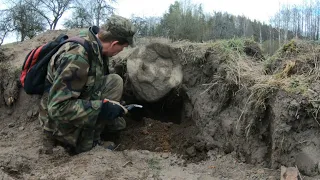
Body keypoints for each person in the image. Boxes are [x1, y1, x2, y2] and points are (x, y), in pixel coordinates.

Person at [39, 15, 136, 154]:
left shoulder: (96, 45)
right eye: (122, 48)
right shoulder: (77, 57)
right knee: (106, 109)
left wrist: (114, 106)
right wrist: (102, 108)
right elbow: (57, 108)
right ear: (114, 43)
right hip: (56, 122)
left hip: (76, 100)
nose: (119, 52)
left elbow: (93, 82)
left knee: (115, 81)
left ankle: (99, 129)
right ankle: (87, 145)